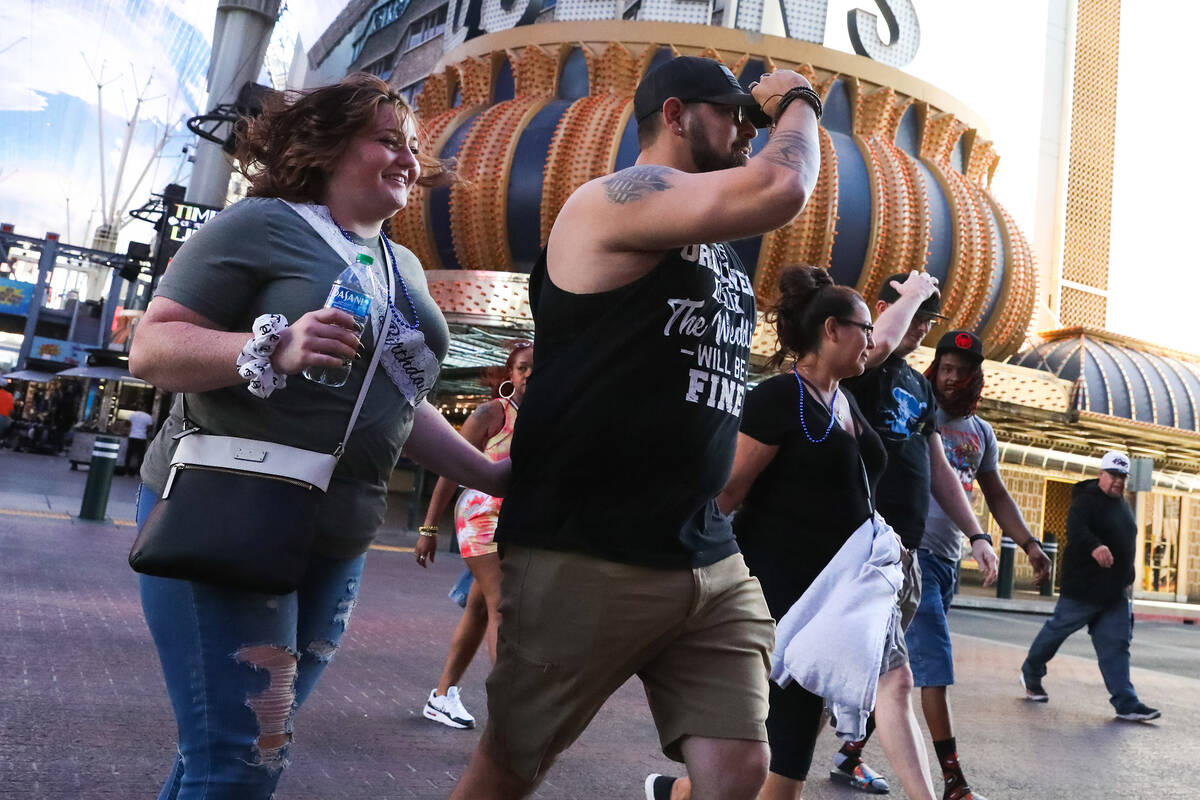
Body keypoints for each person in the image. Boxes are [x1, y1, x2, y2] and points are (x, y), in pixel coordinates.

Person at [449, 56, 823, 800]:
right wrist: (799, 101)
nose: (751, 132)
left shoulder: (712, 242)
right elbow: (784, 185)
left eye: (757, 119)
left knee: (739, 774)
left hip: (706, 557)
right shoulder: (612, 201)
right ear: (678, 114)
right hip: (587, 550)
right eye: (736, 116)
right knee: (507, 775)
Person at [127, 73, 508, 799]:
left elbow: (401, 407)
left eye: (414, 146)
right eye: (387, 140)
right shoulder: (262, 224)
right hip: (232, 515)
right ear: (328, 148)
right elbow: (152, 349)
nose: (407, 158)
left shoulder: (404, 267)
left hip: (335, 537)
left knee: (228, 752)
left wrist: (489, 474)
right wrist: (275, 347)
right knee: (241, 758)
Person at [646, 265, 941, 800]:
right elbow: (728, 493)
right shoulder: (780, 397)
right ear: (831, 330)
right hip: (785, 597)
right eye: (864, 330)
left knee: (881, 688)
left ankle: (681, 793)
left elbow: (852, 485)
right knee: (780, 771)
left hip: (842, 591)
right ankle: (682, 792)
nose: (873, 342)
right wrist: (672, 565)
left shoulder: (843, 399)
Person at [825, 272, 999, 795]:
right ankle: (948, 785)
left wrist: (977, 535)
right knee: (889, 678)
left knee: (861, 677)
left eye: (928, 319)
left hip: (903, 553)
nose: (922, 328)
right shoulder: (857, 367)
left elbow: (939, 470)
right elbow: (876, 344)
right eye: (917, 315)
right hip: (856, 546)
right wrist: (908, 300)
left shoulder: (917, 386)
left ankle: (784, 767)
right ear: (879, 309)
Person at [904, 329, 1053, 800]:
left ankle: (849, 751)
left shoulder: (980, 433)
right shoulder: (913, 413)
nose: (951, 379)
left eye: (961, 372)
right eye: (945, 369)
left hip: (948, 559)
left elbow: (997, 494)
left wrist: (1028, 543)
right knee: (935, 666)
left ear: (975, 378)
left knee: (896, 663)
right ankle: (953, 781)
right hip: (913, 554)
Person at [415, 341, 533, 729]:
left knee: (480, 609)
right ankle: (511, 710)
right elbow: (451, 469)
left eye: (536, 368)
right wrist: (429, 528)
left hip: (518, 520)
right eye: (521, 368)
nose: (528, 374)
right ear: (509, 374)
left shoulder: (548, 417)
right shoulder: (489, 413)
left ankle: (442, 695)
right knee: (503, 606)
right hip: (481, 516)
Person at [1020, 451, 1160, 721]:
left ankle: (1126, 703)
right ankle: (1031, 673)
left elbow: (1127, 543)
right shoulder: (1085, 501)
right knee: (1055, 634)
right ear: (1101, 475)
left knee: (1116, 646)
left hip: (1114, 594)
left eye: (1122, 476)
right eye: (1113, 475)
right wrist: (1095, 547)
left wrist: (1127, 579)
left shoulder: (1123, 506)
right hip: (1083, 590)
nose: (1118, 481)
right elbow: (1076, 530)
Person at [124, 403, 153, 475]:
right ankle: (137, 473)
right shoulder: (148, 416)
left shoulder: (133, 414)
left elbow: (126, 423)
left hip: (132, 436)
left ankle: (126, 472)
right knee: (140, 456)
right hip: (142, 437)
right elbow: (150, 428)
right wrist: (146, 432)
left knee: (129, 455)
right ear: (146, 408)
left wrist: (129, 430)